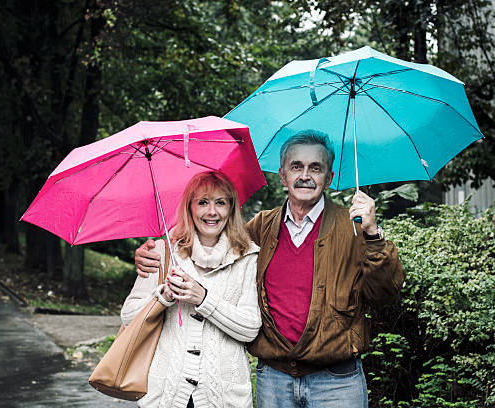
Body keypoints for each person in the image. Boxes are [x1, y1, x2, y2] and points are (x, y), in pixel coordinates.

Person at [134, 130, 405, 408]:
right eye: (296, 166)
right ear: (282, 175)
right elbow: (210, 240)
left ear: (329, 177)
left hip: (336, 380)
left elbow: (384, 293)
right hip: (274, 378)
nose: (305, 175)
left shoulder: (353, 226)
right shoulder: (260, 227)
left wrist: (372, 231)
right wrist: (156, 251)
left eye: (316, 168)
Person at [121, 171, 261, 408]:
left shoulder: (246, 257)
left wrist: (203, 298)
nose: (212, 212)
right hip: (166, 392)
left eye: (220, 203)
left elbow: (249, 328)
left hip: (223, 396)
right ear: (190, 208)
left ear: (231, 208)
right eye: (203, 202)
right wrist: (163, 297)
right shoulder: (162, 252)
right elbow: (128, 317)